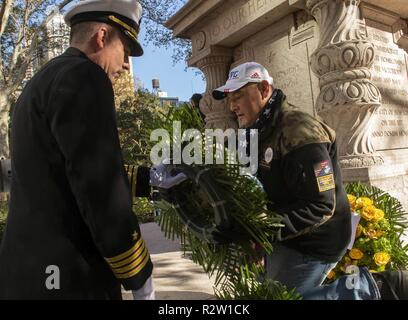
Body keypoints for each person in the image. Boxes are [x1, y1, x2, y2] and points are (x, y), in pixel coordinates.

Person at [0, 0, 184, 300]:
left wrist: (147, 178)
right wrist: (139, 276)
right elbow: (99, 189)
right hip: (69, 278)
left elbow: (65, 169)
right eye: (125, 50)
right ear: (102, 37)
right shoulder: (85, 77)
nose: (126, 65)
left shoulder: (39, 83)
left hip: (27, 274)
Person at [212, 61, 408, 300]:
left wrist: (260, 231)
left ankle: (380, 286)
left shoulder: (301, 133)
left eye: (239, 96)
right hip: (287, 235)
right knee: (270, 292)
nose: (232, 106)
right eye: (229, 99)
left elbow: (321, 206)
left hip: (316, 241)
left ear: (264, 89)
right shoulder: (257, 130)